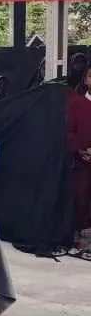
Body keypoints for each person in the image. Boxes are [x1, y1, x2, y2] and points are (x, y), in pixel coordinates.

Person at [66, 65, 91, 248]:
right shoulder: (76, 104)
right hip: (81, 160)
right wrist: (80, 150)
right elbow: (68, 132)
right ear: (86, 80)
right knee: (80, 198)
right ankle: (78, 234)